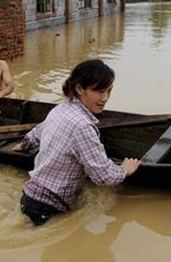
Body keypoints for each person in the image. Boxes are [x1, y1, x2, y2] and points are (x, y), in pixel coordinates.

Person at [12, 58, 141, 226]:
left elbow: (36, 133)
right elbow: (103, 177)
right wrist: (124, 170)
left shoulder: (61, 108)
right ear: (79, 88)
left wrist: (22, 145)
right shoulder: (83, 126)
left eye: (109, 91)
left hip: (29, 198)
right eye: (100, 91)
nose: (105, 98)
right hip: (48, 210)